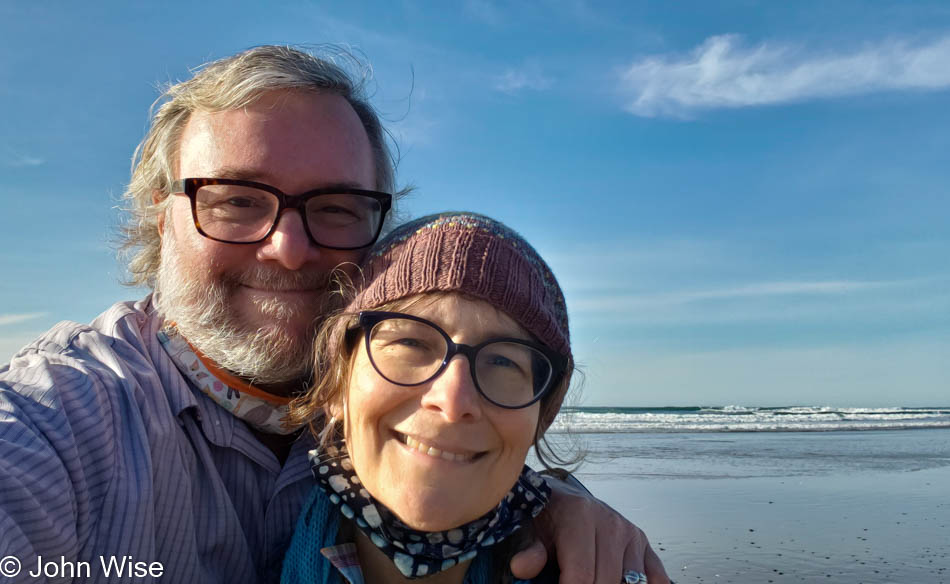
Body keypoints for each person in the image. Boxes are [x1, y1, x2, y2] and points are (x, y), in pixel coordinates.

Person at [0, 46, 668, 584]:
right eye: (235, 201)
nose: (289, 249)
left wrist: (545, 501)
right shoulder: (60, 423)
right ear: (161, 214)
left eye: (337, 207)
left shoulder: (393, 395)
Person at [281, 211, 642, 584]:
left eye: (503, 361)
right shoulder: (248, 536)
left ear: (538, 417)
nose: (453, 401)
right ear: (336, 384)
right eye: (410, 342)